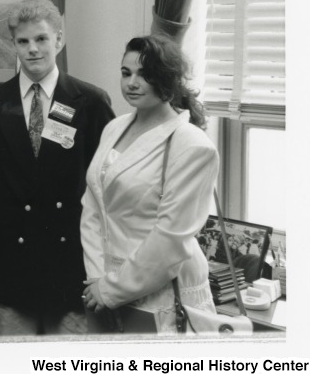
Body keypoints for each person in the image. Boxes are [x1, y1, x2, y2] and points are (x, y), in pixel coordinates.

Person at [0, 0, 114, 336]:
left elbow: (108, 186)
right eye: (23, 41)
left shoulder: (90, 102)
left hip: (69, 266)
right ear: (13, 45)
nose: (33, 49)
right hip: (12, 267)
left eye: (41, 39)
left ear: (59, 40)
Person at [80, 34, 219, 333]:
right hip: (103, 285)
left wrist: (112, 289)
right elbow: (93, 206)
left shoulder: (192, 145)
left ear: (167, 80)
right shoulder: (115, 127)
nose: (132, 83)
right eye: (126, 73)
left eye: (145, 75)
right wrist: (97, 278)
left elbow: (170, 240)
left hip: (161, 292)